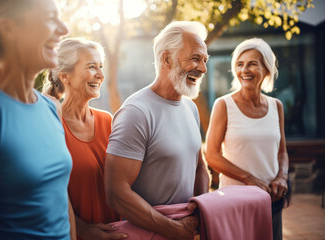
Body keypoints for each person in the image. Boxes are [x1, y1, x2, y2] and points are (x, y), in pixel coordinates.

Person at [0, 0, 75, 239]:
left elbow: (61, 199)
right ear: (9, 28)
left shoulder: (51, 107)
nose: (64, 29)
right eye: (49, 18)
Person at [104, 21, 210, 240]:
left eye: (205, 60)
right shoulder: (136, 112)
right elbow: (116, 194)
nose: (203, 68)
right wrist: (174, 230)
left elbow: (199, 166)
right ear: (166, 58)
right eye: (195, 58)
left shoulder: (190, 107)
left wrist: (200, 215)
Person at [204, 38, 289, 240]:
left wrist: (282, 177)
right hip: (235, 202)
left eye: (252, 63)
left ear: (266, 69)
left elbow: (282, 152)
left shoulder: (276, 106)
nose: (244, 70)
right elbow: (212, 155)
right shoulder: (223, 105)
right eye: (240, 64)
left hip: (271, 200)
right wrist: (250, 180)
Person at [43, 38, 127, 240]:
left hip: (120, 233)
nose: (100, 74)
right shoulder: (49, 124)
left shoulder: (107, 120)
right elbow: (44, 192)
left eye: (101, 66)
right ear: (65, 76)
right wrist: (81, 229)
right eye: (92, 67)